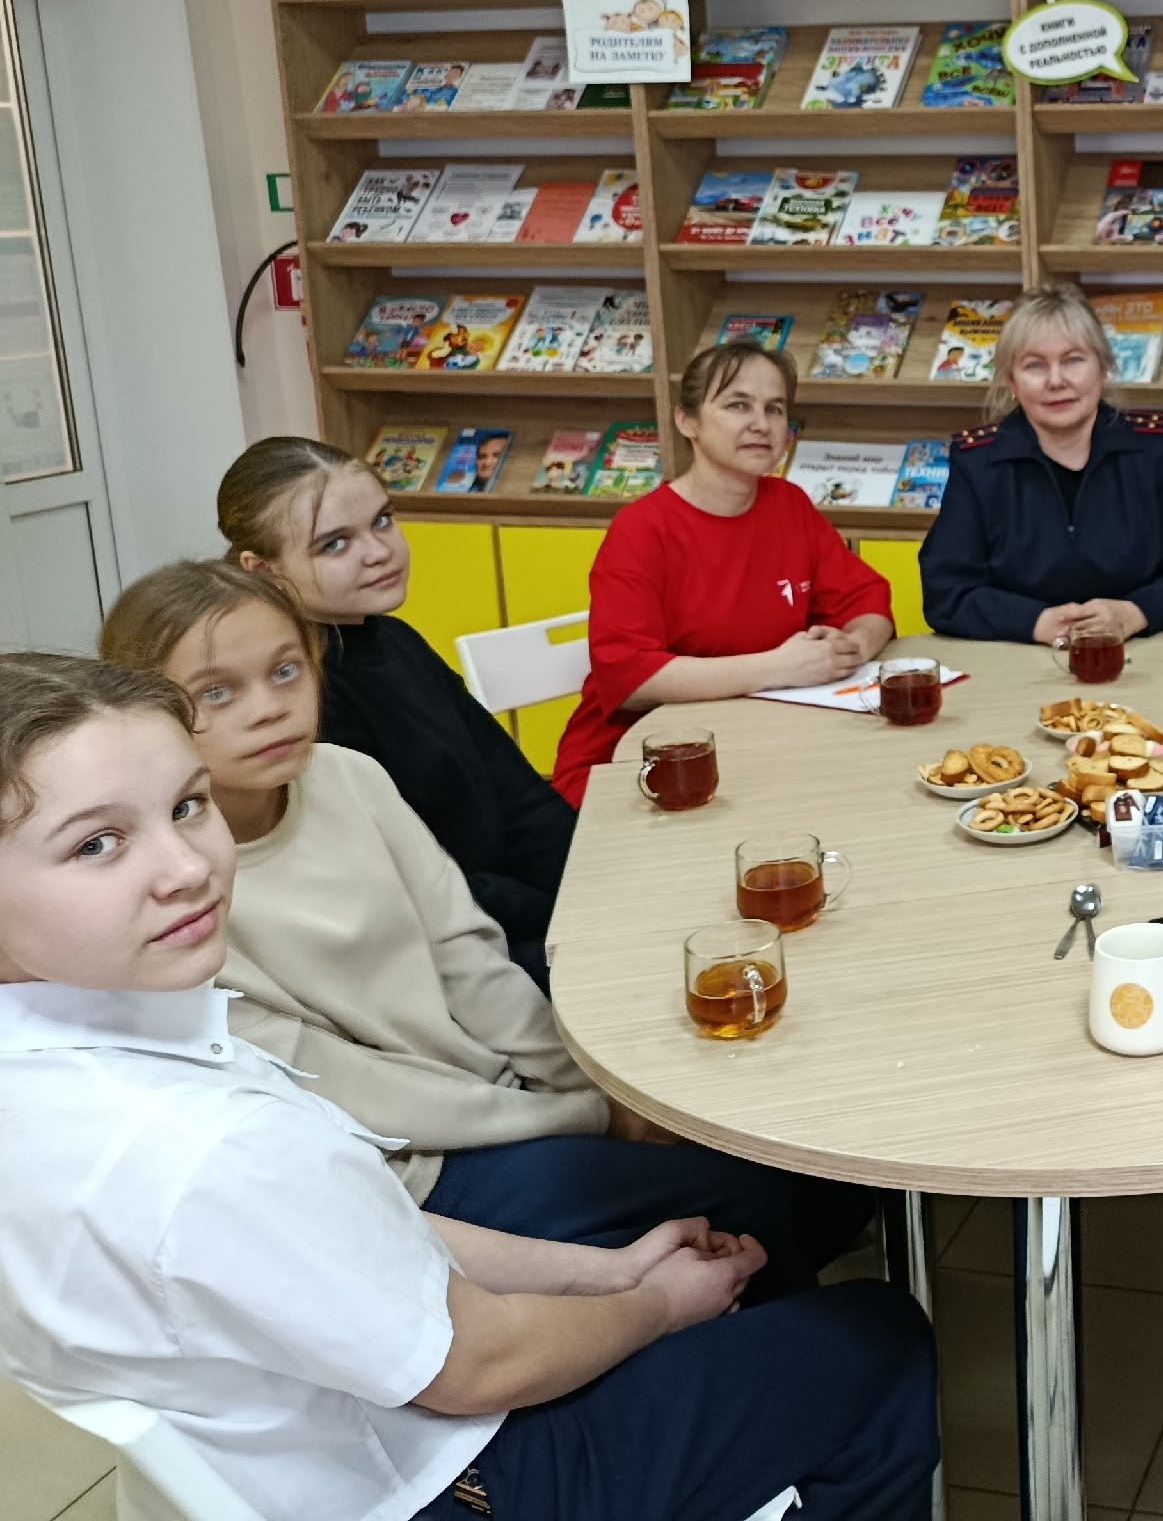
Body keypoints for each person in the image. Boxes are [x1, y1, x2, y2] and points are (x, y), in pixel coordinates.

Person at [0, 651, 936, 1521]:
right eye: (97, 845)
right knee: (878, 1338)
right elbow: (477, 1365)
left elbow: (356, 1227)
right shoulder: (205, 1148)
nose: (187, 868)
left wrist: (609, 1274)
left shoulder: (95, 1058)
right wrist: (655, 1309)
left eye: (187, 805)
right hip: (440, 1483)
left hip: (289, 1448)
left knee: (721, 1228)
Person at [97, 561, 865, 1297]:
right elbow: (357, 1096)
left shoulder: (350, 776)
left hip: (493, 1092)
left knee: (769, 1137)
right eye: (216, 692)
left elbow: (467, 954)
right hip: (411, 1164)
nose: (268, 707)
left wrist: (582, 1088)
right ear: (146, 717)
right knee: (735, 1190)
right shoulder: (177, 895)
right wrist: (585, 1116)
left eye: (285, 670)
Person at [219, 435, 571, 985]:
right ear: (262, 570)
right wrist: (563, 917)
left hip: (519, 913)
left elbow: (519, 796)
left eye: (382, 521)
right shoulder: (303, 698)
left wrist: (595, 882)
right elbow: (412, 888)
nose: (379, 551)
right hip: (450, 958)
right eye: (335, 544)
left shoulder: (393, 638)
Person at [552, 342, 896, 805]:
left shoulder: (789, 504)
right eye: (738, 405)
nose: (761, 424)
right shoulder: (642, 529)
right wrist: (778, 667)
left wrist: (850, 648)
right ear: (686, 421)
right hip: (641, 761)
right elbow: (632, 679)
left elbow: (868, 602)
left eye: (775, 409)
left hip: (759, 741)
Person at [920, 283, 1163, 644]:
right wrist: (1034, 622)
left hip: (1139, 649)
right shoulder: (978, 462)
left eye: (1073, 360)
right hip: (1018, 654)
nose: (1056, 380)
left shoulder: (1152, 449)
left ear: (1103, 369)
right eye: (1035, 365)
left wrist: (1135, 613)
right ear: (1012, 382)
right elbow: (946, 592)